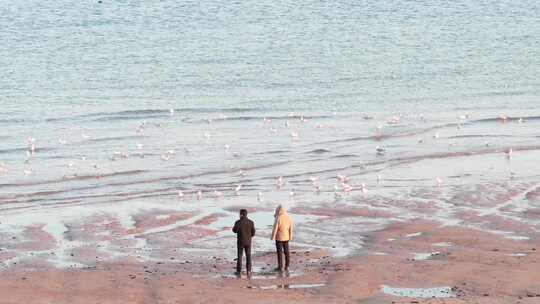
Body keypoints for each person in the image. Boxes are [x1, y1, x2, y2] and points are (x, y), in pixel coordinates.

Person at [232, 209, 255, 276]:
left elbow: (234, 230)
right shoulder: (251, 222)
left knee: (240, 256)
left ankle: (239, 271)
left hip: (240, 241)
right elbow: (253, 233)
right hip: (248, 241)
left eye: (239, 214)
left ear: (241, 214)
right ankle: (249, 270)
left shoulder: (238, 222)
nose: (239, 215)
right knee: (248, 256)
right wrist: (249, 236)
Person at [271, 204, 293, 272]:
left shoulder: (278, 217)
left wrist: (273, 237)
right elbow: (291, 228)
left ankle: (280, 266)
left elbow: (275, 228)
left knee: (279, 252)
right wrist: (290, 236)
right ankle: (287, 266)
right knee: (287, 252)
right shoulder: (289, 217)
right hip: (286, 237)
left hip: (279, 238)